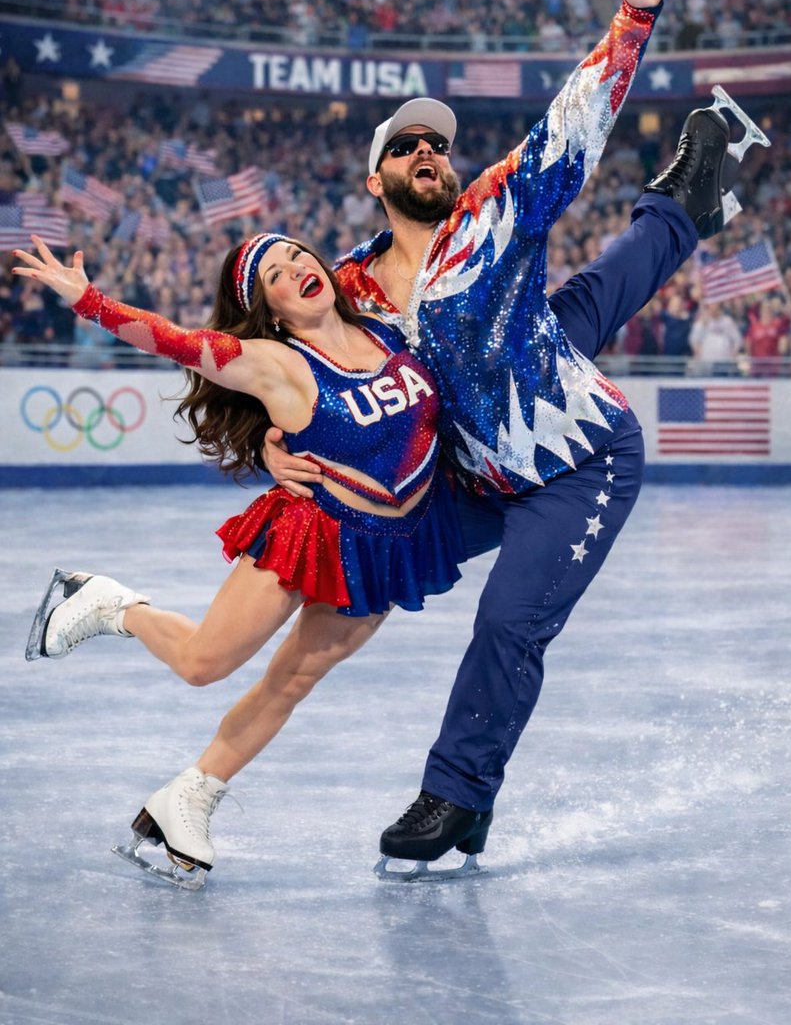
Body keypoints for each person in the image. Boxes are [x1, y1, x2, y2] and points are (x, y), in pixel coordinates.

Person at [263, 0, 763, 877]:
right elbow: (267, 358)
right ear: (376, 178)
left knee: (508, 621)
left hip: (572, 455)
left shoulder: (492, 208)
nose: (427, 150)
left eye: (437, 144)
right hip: (476, 450)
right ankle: (685, 203)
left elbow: (572, 122)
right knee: (582, 307)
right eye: (405, 144)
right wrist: (267, 446)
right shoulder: (349, 286)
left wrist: (637, 12)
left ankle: (457, 792)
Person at [13, 231, 466, 887]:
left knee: (293, 681)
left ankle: (190, 797)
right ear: (272, 308)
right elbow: (174, 339)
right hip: (310, 531)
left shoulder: (391, 330)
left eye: (297, 256)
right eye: (275, 274)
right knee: (204, 664)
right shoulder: (271, 362)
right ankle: (111, 605)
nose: (295, 270)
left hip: (387, 551)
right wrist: (89, 301)